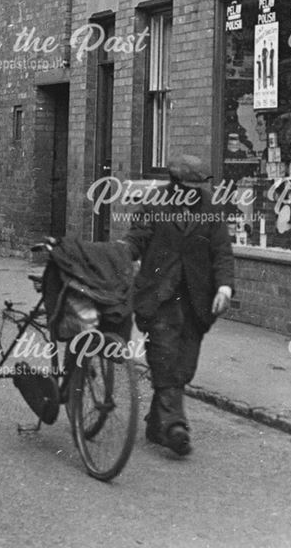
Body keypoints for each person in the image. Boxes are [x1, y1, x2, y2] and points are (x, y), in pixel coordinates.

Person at [122, 154, 235, 457]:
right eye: (187, 187)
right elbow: (137, 238)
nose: (193, 193)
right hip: (159, 295)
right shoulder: (154, 203)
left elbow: (222, 250)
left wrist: (224, 286)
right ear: (173, 183)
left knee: (185, 363)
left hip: (197, 299)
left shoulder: (210, 206)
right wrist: (120, 254)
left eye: (197, 188)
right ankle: (175, 427)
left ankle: (156, 423)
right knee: (164, 355)